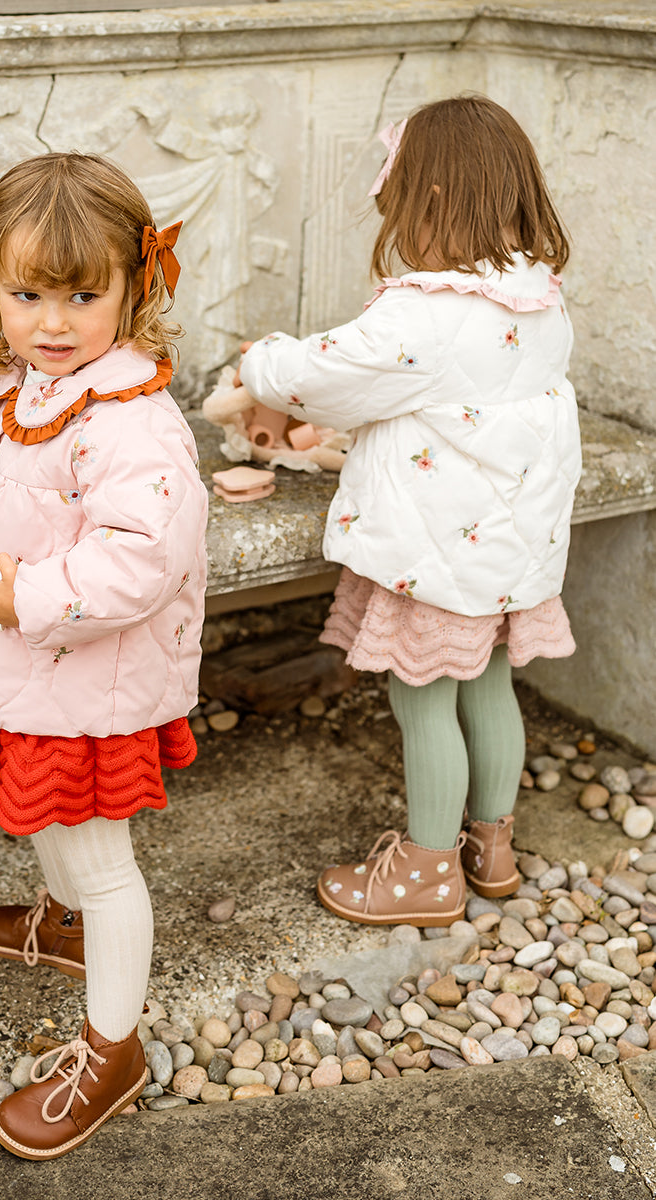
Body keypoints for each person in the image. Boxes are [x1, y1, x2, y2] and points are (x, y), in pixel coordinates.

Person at [0, 152, 208, 1159]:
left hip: (86, 681)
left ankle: (112, 1050)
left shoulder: (132, 422)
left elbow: (141, 559)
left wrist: (26, 596)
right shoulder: (20, 386)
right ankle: (68, 923)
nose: (55, 322)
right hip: (28, 669)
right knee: (42, 814)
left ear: (135, 287)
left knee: (99, 857)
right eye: (28, 295)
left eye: (84, 296)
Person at [237, 95, 580, 928]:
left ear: (427, 200)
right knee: (489, 689)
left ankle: (426, 873)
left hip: (435, 557)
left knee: (422, 699)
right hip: (506, 553)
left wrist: (257, 361)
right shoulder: (538, 295)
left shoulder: (423, 313)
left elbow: (319, 375)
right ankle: (490, 849)